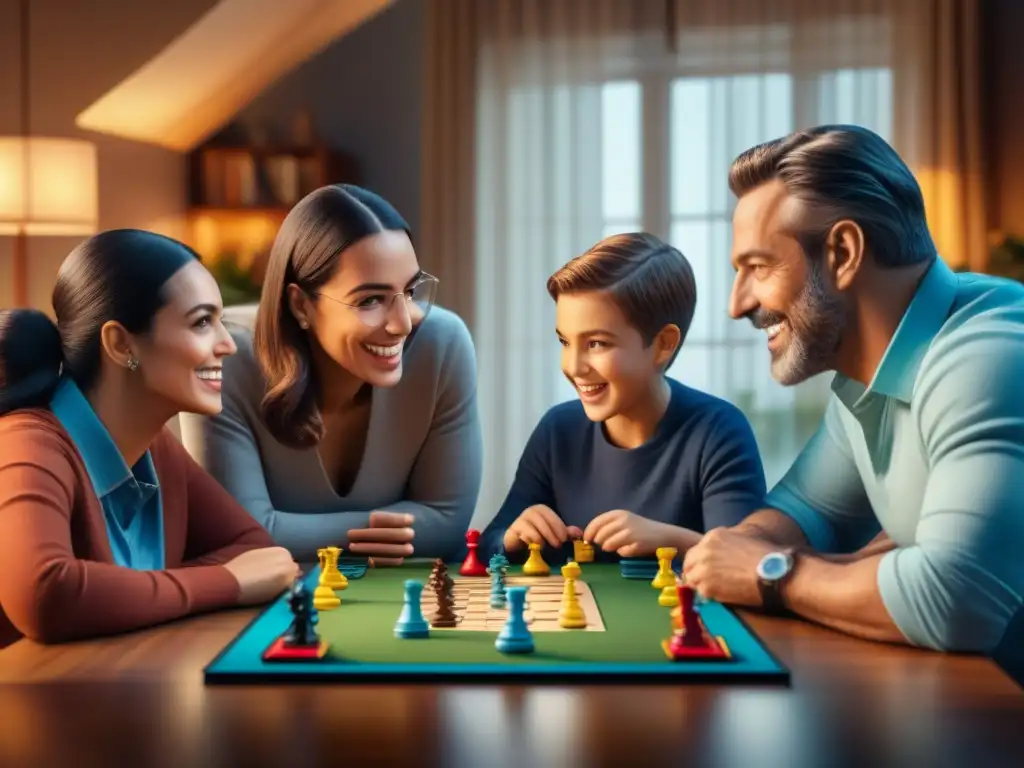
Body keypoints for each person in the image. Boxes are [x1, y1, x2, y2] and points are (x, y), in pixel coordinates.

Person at [682, 124, 1024, 668]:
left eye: (757, 267)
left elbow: (958, 601)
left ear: (842, 253)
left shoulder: (986, 359)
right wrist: (743, 553)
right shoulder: (863, 378)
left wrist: (772, 574)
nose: (736, 304)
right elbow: (804, 512)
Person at [0, 229, 299, 648]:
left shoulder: (156, 448)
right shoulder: (27, 443)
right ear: (121, 344)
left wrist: (129, 593)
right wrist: (225, 582)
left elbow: (255, 551)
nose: (228, 344)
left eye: (221, 322)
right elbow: (44, 593)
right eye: (201, 323)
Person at [180, 184, 482, 564]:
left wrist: (291, 533)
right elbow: (239, 536)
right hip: (268, 607)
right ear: (301, 304)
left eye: (409, 291)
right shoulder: (224, 359)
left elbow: (446, 524)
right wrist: (393, 530)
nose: (403, 324)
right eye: (370, 300)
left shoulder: (442, 344)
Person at [477, 232, 766, 563]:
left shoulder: (719, 432)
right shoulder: (557, 430)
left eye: (596, 343)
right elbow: (488, 545)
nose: (573, 366)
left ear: (662, 344)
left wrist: (668, 540)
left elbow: (748, 562)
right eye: (564, 342)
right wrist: (513, 538)